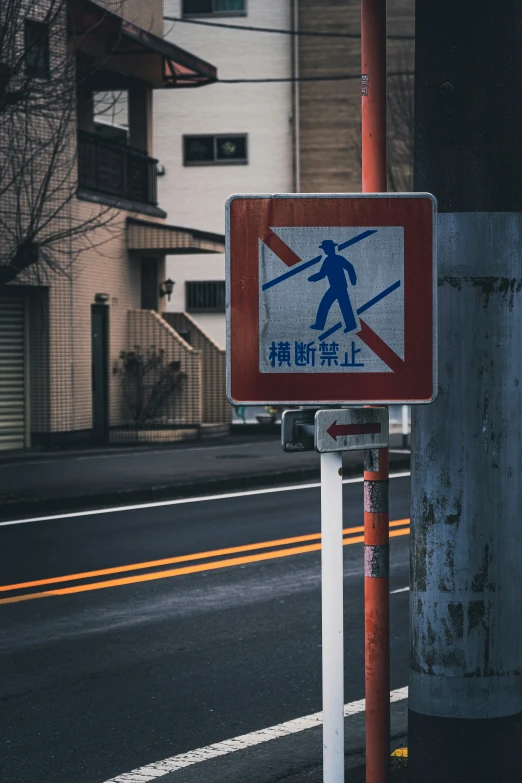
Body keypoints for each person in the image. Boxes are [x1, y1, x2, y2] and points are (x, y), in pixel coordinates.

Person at [308, 239, 358, 333]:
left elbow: (350, 267)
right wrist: (313, 278)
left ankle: (320, 325)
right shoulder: (327, 261)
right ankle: (351, 325)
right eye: (324, 249)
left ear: (331, 248)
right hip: (337, 287)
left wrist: (353, 280)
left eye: (326, 248)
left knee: (325, 305)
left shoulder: (338, 258)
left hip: (339, 287)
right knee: (344, 305)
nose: (325, 250)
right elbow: (322, 274)